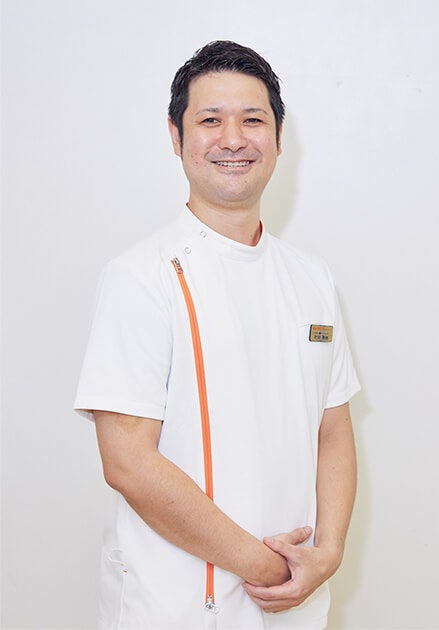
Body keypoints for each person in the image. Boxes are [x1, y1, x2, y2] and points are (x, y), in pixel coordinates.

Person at [74, 40, 360, 630]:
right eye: (210, 120)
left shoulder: (312, 279)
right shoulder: (142, 276)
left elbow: (333, 428)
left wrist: (328, 554)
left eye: (252, 120)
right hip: (177, 605)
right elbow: (127, 462)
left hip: (296, 600)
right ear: (176, 137)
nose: (233, 139)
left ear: (278, 138)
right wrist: (265, 566)